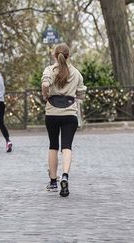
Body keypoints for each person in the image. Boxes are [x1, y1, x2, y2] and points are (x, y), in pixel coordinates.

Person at [41, 43, 86, 197]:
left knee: (53, 145)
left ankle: (53, 181)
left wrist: (45, 95)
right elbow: (81, 94)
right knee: (67, 146)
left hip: (52, 112)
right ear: (69, 55)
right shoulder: (76, 73)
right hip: (69, 114)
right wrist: (73, 93)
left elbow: (45, 83)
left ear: (55, 55)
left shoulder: (49, 70)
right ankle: (65, 175)